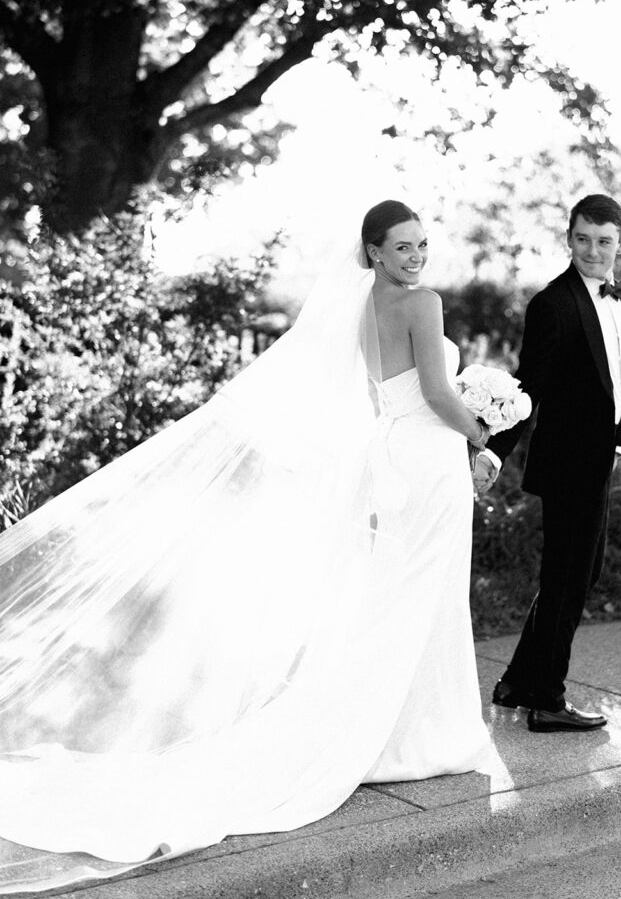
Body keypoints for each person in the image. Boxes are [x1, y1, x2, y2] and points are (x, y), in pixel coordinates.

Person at [0, 200, 494, 894]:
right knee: (421, 595)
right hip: (429, 461)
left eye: (421, 245)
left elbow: (379, 394)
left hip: (392, 454)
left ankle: (397, 728)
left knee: (395, 594)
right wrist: (483, 432)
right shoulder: (423, 303)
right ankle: (413, 734)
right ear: (375, 251)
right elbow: (439, 394)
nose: (416, 257)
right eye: (402, 247)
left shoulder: (359, 305)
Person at [473, 194, 621, 732]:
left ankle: (519, 682)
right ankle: (547, 701)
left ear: (620, 243)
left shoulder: (620, 302)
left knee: (578, 574)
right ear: (569, 238)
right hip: (567, 463)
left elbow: (617, 383)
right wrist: (494, 451)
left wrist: (617, 442)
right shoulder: (553, 303)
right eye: (583, 239)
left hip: (597, 461)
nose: (593, 251)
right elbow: (530, 388)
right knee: (568, 578)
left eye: (604, 241)